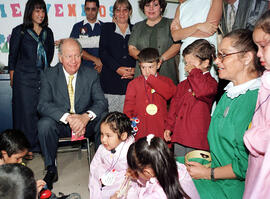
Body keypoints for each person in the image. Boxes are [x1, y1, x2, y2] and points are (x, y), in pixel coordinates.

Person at [182, 29, 264, 199]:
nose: (217, 61)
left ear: (247, 58)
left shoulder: (256, 100)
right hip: (215, 178)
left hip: (232, 189)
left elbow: (244, 166)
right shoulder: (229, 94)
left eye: (223, 55)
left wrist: (208, 173)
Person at [37, 38, 108, 190]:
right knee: (44, 124)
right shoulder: (48, 74)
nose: (74, 61)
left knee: (104, 118)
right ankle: (51, 168)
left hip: (86, 124)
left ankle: (102, 167)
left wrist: (85, 117)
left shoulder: (91, 74)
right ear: (60, 57)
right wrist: (69, 118)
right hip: (62, 124)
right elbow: (43, 104)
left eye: (77, 55)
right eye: (69, 56)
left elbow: (101, 102)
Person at [8, 0, 54, 158]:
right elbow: (12, 57)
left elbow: (50, 55)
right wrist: (13, 79)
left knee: (40, 112)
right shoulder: (19, 31)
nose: (41, 14)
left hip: (42, 77)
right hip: (23, 79)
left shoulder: (48, 32)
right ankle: (24, 148)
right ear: (30, 12)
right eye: (37, 11)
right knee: (24, 114)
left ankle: (37, 146)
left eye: (43, 11)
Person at [164, 39, 218, 156]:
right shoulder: (183, 85)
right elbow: (174, 107)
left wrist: (194, 72)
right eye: (186, 63)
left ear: (205, 63)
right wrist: (169, 127)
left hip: (197, 139)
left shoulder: (211, 83)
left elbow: (202, 91)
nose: (187, 67)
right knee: (180, 166)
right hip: (179, 136)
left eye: (191, 64)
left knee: (196, 168)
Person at [113, 135, 199, 199]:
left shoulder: (154, 195)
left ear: (147, 172)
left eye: (137, 172)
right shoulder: (177, 168)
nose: (136, 174)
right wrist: (138, 177)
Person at [243, 10, 270, 199]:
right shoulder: (266, 79)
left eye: (263, 46)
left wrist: (252, 136)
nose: (258, 54)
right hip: (257, 169)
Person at [124, 48, 176, 140]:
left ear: (159, 64)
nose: (147, 71)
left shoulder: (166, 81)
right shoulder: (133, 84)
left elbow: (169, 94)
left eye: (151, 67)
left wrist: (152, 80)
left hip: (160, 128)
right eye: (143, 67)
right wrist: (129, 120)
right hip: (141, 128)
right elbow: (128, 107)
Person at [128, 0, 180, 85]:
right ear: (143, 8)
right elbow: (131, 49)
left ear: (161, 7)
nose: (151, 8)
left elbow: (177, 45)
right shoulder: (137, 26)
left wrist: (160, 59)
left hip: (166, 74)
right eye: (147, 5)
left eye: (155, 5)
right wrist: (147, 61)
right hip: (142, 77)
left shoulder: (171, 23)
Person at [171, 0, 222, 82]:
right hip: (186, 56)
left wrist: (182, 32)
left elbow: (209, 31)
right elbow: (175, 36)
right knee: (185, 90)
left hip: (205, 53)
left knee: (206, 88)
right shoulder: (181, 6)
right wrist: (198, 26)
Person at [99, 0, 136, 112]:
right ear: (114, 13)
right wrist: (118, 68)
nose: (121, 13)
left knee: (130, 120)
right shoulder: (107, 28)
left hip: (131, 81)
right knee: (112, 121)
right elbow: (103, 53)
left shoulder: (136, 29)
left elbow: (141, 53)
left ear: (130, 12)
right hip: (111, 82)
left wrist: (135, 70)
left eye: (125, 10)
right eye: (118, 10)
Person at [88, 112, 135, 199]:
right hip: (107, 175)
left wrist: (120, 193)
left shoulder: (131, 152)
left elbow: (133, 177)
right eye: (102, 134)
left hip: (123, 182)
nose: (103, 140)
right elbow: (94, 166)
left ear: (123, 136)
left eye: (108, 135)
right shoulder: (102, 148)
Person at [0, 129, 46, 195]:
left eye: (22, 157)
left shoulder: (11, 165)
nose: (21, 161)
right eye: (18, 158)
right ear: (4, 154)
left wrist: (31, 186)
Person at [70, 0, 103, 72]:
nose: (90, 12)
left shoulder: (104, 27)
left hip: (101, 70)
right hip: (82, 70)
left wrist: (102, 63)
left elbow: (109, 50)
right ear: (84, 9)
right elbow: (74, 49)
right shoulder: (77, 27)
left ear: (98, 9)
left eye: (93, 9)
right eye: (88, 9)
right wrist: (95, 59)